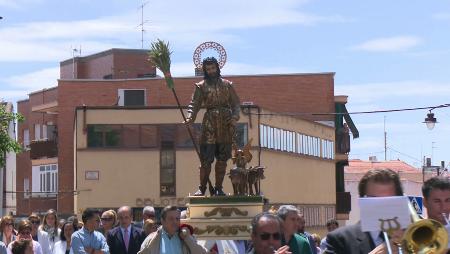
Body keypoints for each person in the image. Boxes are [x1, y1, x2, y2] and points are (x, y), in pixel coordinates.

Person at [185, 57, 241, 196]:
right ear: (205, 70)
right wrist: (190, 117)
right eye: (208, 69)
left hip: (225, 123)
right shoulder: (201, 86)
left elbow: (236, 104)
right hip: (210, 123)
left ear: (217, 67)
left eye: (213, 68)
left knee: (222, 159)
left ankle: (218, 188)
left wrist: (234, 117)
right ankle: (202, 188)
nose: (211, 71)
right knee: (206, 159)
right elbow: (194, 104)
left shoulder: (227, 85)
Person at [324, 168, 404, 254]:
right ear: (361, 201)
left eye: (389, 200)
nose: (381, 206)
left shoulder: (412, 237)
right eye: (374, 200)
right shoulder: (339, 239)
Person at [138, 206, 206, 254]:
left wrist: (188, 239)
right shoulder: (151, 239)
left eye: (177, 219)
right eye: (171, 219)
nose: (175, 222)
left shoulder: (186, 237)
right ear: (163, 221)